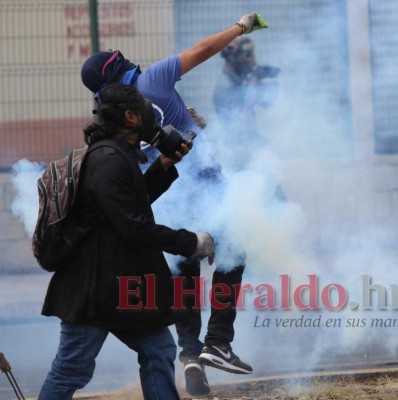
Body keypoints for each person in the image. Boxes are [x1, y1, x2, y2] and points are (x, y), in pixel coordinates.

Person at [80, 13, 267, 396]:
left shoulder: (112, 118)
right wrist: (241, 27)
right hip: (206, 187)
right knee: (233, 252)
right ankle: (218, 342)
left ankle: (191, 356)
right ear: (119, 67)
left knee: (184, 275)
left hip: (164, 198)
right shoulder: (154, 79)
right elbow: (202, 50)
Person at [37, 83, 216, 400]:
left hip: (119, 287)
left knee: (159, 349)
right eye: (144, 108)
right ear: (131, 117)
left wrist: (162, 167)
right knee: (72, 369)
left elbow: (129, 205)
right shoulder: (109, 162)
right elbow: (135, 226)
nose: (152, 114)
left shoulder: (117, 156)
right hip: (92, 292)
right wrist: (192, 243)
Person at [212, 36, 280, 171]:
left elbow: (267, 102)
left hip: (249, 147)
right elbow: (236, 125)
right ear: (232, 57)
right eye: (247, 55)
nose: (251, 59)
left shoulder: (241, 80)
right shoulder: (226, 86)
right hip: (238, 152)